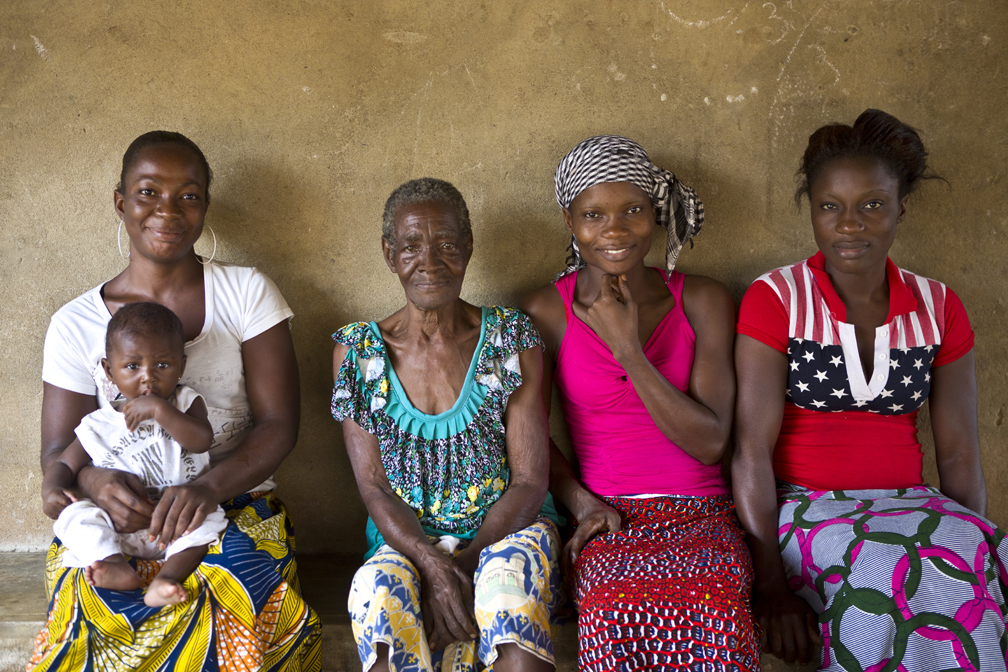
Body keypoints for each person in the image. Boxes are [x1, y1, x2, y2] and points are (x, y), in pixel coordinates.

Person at [31, 131, 320, 671]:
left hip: (233, 504)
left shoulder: (246, 292)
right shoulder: (75, 323)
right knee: (88, 597)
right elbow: (58, 454)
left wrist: (205, 489)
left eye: (188, 195)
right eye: (147, 193)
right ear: (121, 203)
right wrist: (96, 483)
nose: (167, 210)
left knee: (232, 587)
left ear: (205, 207)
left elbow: (279, 424)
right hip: (117, 515)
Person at [733, 108, 1008, 671]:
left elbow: (957, 452)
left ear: (901, 209)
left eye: (872, 205)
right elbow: (750, 451)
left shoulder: (938, 306)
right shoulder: (778, 298)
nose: (849, 224)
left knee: (978, 555)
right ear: (812, 212)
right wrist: (770, 583)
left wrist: (962, 532)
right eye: (830, 207)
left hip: (912, 503)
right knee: (880, 564)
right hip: (806, 508)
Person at [520, 135, 760, 672]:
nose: (615, 229)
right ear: (569, 221)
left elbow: (709, 443)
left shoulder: (701, 300)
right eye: (594, 214)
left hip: (704, 515)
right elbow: (528, 437)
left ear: (656, 211)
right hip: (608, 517)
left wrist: (628, 348)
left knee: (716, 601)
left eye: (633, 210)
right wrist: (581, 504)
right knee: (608, 601)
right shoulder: (545, 311)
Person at [332, 177, 562, 672]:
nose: (430, 263)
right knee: (376, 594)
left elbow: (529, 481)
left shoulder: (508, 337)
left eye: (447, 245)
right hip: (406, 540)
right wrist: (430, 562)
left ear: (469, 248)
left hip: (507, 532)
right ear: (389, 254)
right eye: (411, 246)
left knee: (506, 591)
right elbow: (374, 488)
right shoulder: (359, 354)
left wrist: (467, 564)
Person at [42, 301, 228, 608]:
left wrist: (160, 409)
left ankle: (168, 578)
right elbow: (64, 462)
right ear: (108, 371)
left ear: (181, 366)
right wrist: (51, 490)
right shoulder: (98, 424)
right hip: (118, 527)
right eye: (132, 366)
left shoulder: (185, 403)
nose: (148, 377)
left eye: (162, 365)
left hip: (176, 522)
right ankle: (113, 564)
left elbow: (201, 441)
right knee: (75, 518)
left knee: (208, 520)